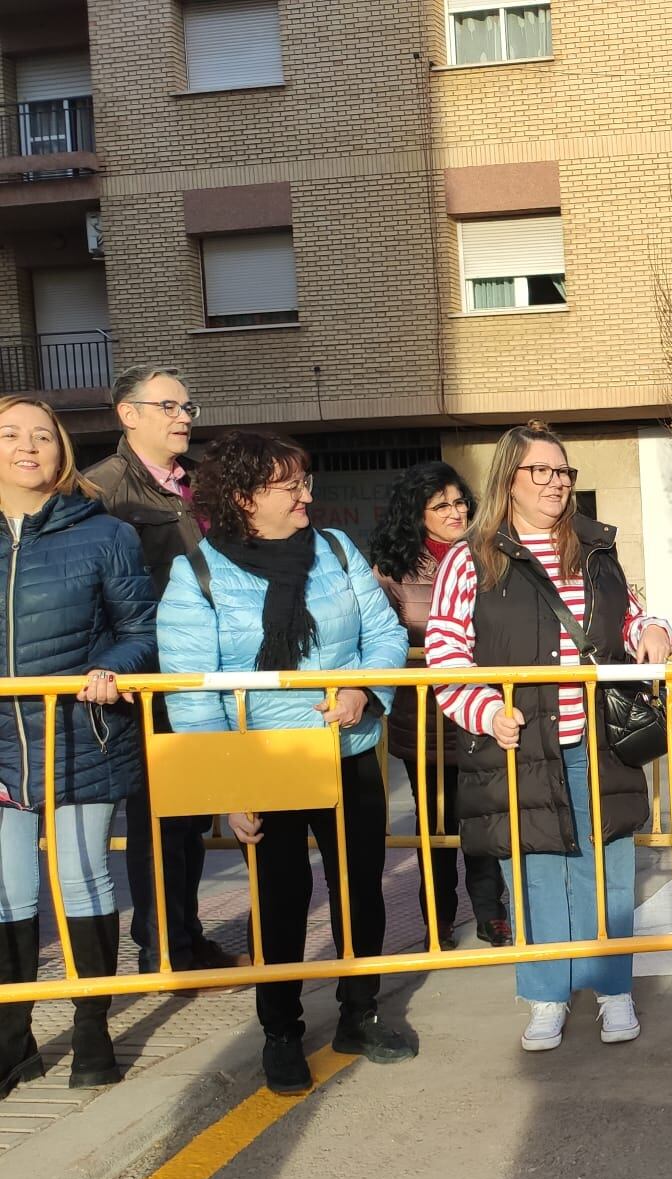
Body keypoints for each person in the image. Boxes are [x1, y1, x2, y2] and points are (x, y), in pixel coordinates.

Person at [158, 431, 415, 1096]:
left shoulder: (334, 550)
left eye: (306, 481)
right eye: (289, 485)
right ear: (244, 497)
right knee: (279, 901)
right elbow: (191, 690)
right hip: (263, 761)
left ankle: (360, 1015)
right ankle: (280, 1032)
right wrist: (228, 786)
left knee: (362, 888)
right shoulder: (200, 573)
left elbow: (384, 633)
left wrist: (363, 686)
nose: (307, 495)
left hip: (346, 753)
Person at [427, 422, 672, 1050]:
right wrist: (486, 711)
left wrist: (654, 631)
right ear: (509, 480)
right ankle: (545, 998)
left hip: (601, 742)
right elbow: (446, 653)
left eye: (563, 472)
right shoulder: (470, 558)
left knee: (610, 871)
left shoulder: (596, 549)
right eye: (541, 471)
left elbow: (632, 611)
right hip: (518, 747)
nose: (555, 483)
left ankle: (613, 991)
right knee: (534, 878)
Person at [0, 397, 155, 1096]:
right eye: (9, 435)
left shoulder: (106, 534)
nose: (27, 447)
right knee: (7, 893)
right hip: (2, 748)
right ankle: (14, 1042)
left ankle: (92, 1033)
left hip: (78, 739)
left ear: (62, 451)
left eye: (42, 436)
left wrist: (112, 671)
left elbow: (140, 632)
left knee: (84, 876)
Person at [83, 366, 245, 985]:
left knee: (192, 819)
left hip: (203, 671)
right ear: (129, 415)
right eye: (169, 405)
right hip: (147, 678)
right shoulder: (99, 489)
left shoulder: (197, 485)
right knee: (159, 821)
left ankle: (186, 938)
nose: (184, 417)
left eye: (187, 406)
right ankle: (161, 948)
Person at [368, 461, 510, 950]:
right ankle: (439, 918)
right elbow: (380, 636)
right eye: (441, 505)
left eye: (460, 502)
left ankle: (493, 915)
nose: (457, 512)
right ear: (416, 514)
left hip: (484, 709)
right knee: (435, 825)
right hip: (423, 718)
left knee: (486, 820)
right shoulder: (391, 569)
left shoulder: (489, 554)